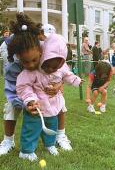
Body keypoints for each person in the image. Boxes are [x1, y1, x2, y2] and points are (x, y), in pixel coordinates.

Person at [7, 13, 82, 161]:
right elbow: (23, 87)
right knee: (31, 128)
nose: (30, 65)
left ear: (42, 52)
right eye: (25, 62)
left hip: (52, 104)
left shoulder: (50, 61)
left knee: (51, 125)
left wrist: (74, 81)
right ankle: (27, 151)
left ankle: (50, 144)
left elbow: (63, 71)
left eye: (34, 60)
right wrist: (30, 100)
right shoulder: (27, 72)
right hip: (36, 106)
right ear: (19, 59)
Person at [38, 24, 76, 151]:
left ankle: (61, 135)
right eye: (43, 38)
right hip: (39, 92)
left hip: (55, 91)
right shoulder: (38, 54)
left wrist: (59, 86)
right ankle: (38, 138)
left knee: (61, 109)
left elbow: (64, 74)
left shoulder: (59, 59)